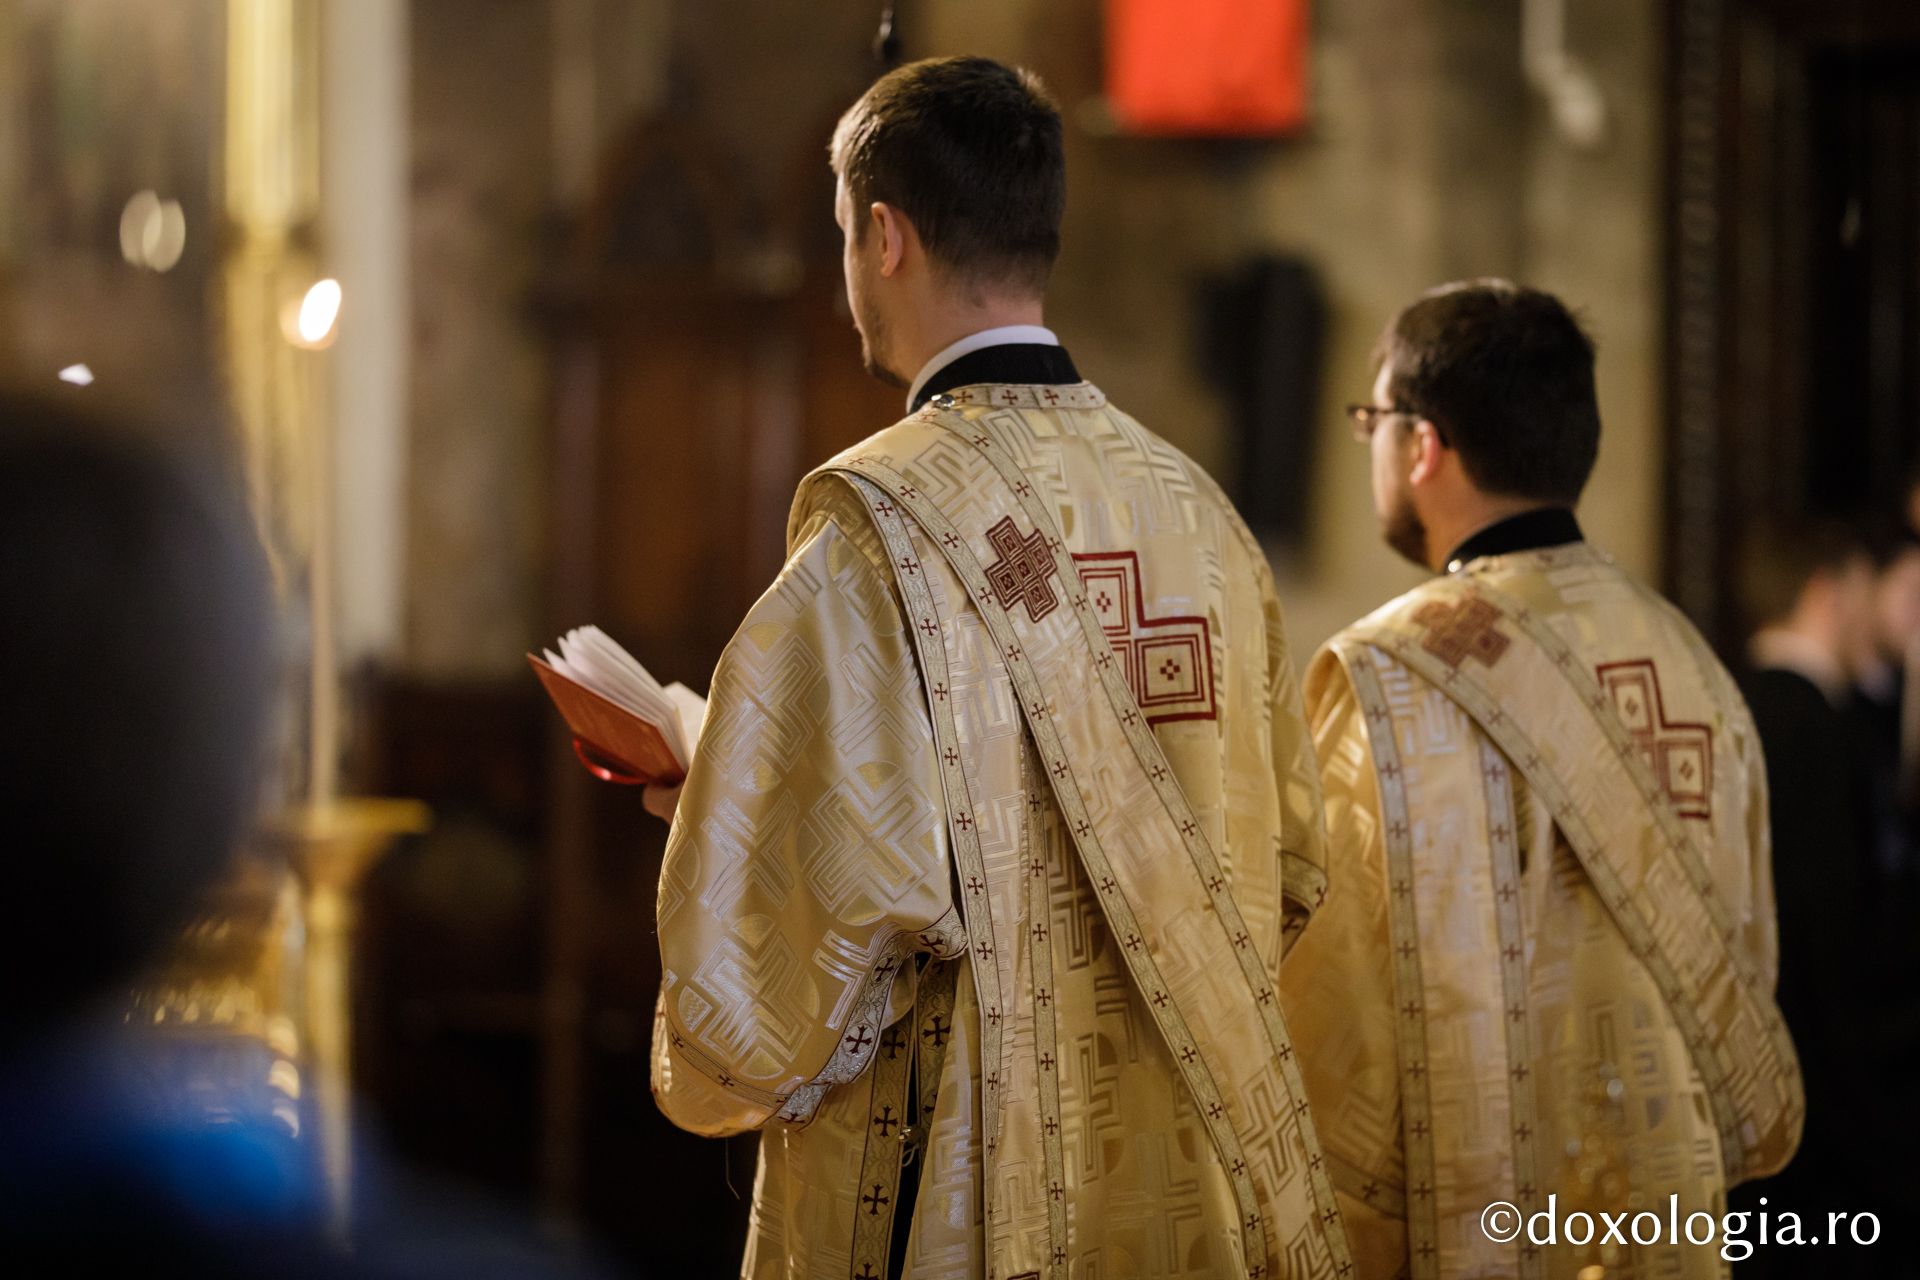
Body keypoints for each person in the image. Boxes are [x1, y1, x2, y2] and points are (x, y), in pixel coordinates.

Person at [644, 57, 1350, 1280]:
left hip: (967, 1197)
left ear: (885, 237)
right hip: (1194, 1190)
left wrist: (728, 798)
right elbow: (1291, 864)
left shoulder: (875, 531)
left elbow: (772, 983)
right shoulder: (1204, 520)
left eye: (844, 240)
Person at [1279, 281, 1801, 1280]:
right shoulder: (1691, 661)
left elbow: (1332, 1024)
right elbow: (1749, 960)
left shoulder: (1389, 675)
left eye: (1372, 422)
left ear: (1423, 445)